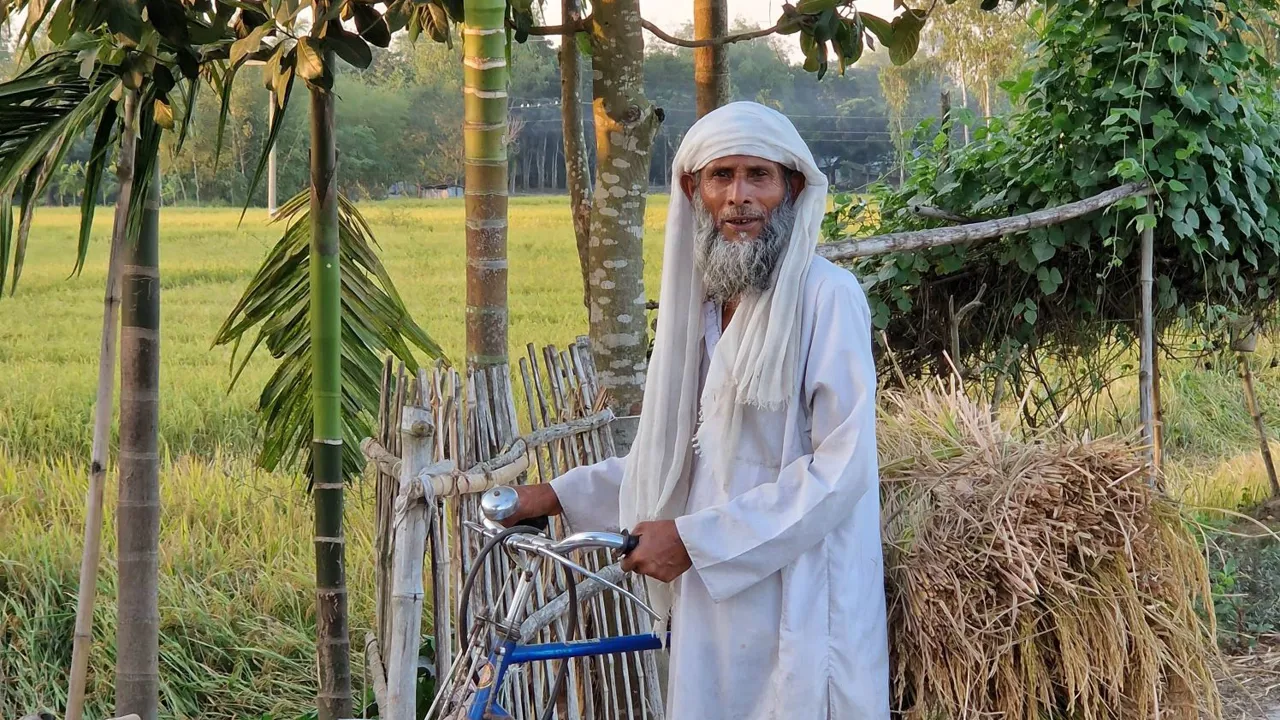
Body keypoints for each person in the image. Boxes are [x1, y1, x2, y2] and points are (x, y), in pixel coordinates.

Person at [505, 101, 889, 719]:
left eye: (757, 176)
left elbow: (838, 473)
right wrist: (555, 495)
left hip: (802, 599)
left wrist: (695, 540)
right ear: (693, 191)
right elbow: (684, 456)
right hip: (713, 600)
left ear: (791, 188)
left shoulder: (827, 299)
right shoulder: (704, 308)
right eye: (721, 176)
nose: (739, 197)